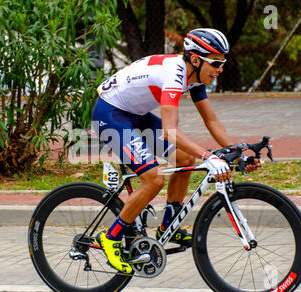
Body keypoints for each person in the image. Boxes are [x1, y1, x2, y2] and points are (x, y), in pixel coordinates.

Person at [92, 28, 259, 273]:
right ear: (195, 59)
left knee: (185, 158)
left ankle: (167, 227)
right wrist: (210, 157)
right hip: (110, 114)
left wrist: (236, 152)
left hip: (135, 115)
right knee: (154, 179)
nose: (220, 69)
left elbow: (211, 121)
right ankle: (111, 237)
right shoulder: (174, 76)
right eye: (215, 63)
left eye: (223, 62)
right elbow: (170, 131)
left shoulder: (195, 77)